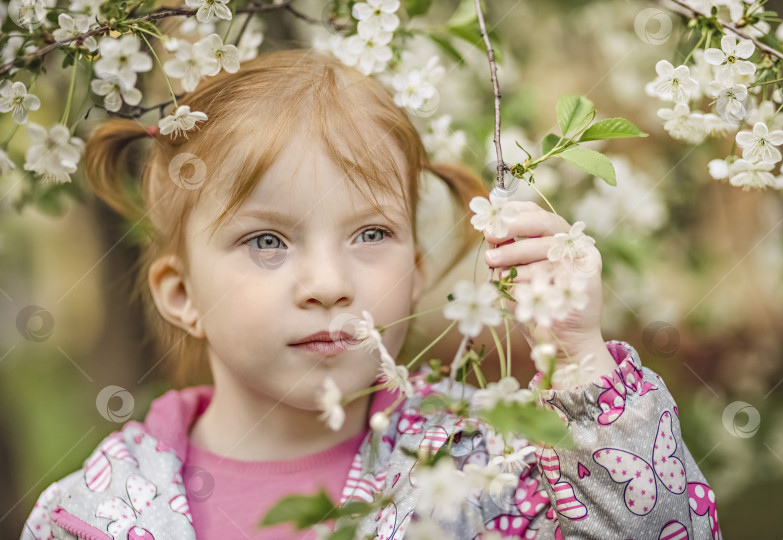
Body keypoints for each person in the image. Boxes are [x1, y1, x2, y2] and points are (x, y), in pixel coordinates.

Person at [20, 48, 721, 540]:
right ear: (181, 294)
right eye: (267, 241)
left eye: (369, 235)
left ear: (415, 271)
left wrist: (578, 362)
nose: (328, 285)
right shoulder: (94, 512)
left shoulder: (487, 467)